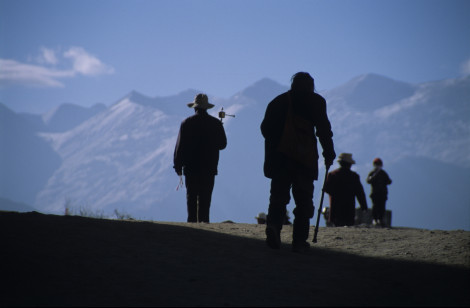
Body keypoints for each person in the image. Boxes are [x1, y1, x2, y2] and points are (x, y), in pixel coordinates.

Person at [261, 72, 336, 253]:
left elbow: (265, 130)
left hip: (280, 159)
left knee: (278, 197)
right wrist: (329, 152)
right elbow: (324, 129)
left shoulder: (278, 102)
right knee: (303, 201)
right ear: (311, 86)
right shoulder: (316, 102)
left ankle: (273, 227)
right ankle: (299, 241)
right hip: (304, 160)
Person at [173, 93, 227, 223]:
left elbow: (180, 147)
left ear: (194, 107)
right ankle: (205, 226)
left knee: (191, 199)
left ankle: (191, 226)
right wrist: (220, 127)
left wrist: (178, 166)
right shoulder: (215, 124)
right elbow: (222, 145)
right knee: (205, 200)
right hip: (209, 168)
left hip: (191, 169)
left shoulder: (186, 123)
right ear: (206, 108)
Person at [324, 153, 368, 227]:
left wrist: (336, 194)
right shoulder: (354, 176)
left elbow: (326, 189)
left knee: (337, 226)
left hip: (335, 209)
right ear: (350, 164)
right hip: (349, 209)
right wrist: (364, 206)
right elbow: (360, 193)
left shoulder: (332, 174)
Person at [367, 158, 392, 227]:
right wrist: (375, 175)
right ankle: (375, 219)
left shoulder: (383, 173)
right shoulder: (372, 173)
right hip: (375, 193)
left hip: (383, 193)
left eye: (379, 164)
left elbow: (389, 181)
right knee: (375, 206)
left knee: (382, 207)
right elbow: (368, 181)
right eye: (376, 164)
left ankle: (380, 219)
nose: (378, 166)